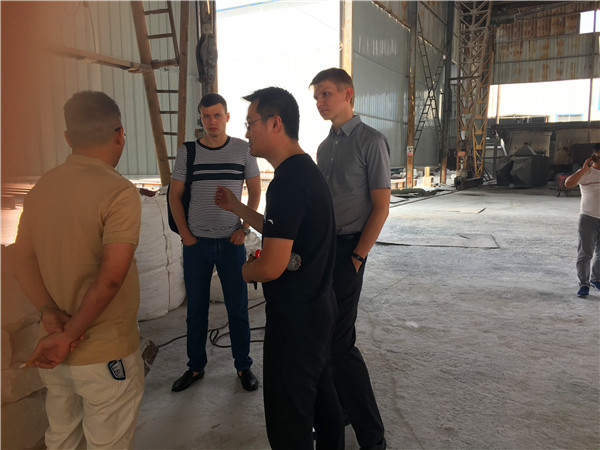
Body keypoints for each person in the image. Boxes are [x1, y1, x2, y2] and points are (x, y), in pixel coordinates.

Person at [12, 91, 145, 449]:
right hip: (103, 351)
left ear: (68, 137)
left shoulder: (42, 188)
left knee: (62, 437)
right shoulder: (119, 192)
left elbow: (21, 258)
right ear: (120, 135)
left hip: (54, 349)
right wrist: (72, 334)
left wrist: (48, 313)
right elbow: (112, 276)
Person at [214, 86, 344, 449]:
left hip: (295, 320)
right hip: (319, 308)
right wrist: (238, 208)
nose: (246, 132)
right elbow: (282, 232)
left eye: (250, 123)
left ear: (275, 123)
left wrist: (240, 272)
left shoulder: (287, 183)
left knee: (288, 417)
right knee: (323, 401)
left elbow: (271, 267)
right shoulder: (304, 171)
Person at [310, 68, 390, 450]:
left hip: (349, 250)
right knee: (326, 337)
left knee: (340, 345)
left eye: (326, 94)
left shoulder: (370, 141)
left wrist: (358, 256)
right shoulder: (323, 148)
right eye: (316, 96)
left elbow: (381, 207)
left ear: (348, 94)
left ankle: (373, 438)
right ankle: (339, 410)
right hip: (324, 250)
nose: (320, 102)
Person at [169, 93, 261, 392]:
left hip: (231, 242)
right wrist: (185, 234)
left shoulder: (243, 149)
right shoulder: (188, 152)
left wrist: (244, 227)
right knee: (196, 309)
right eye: (206, 116)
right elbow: (174, 195)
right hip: (197, 244)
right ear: (201, 118)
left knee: (238, 308)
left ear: (227, 117)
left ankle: (243, 365)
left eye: (217, 115)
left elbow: (255, 191)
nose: (212, 121)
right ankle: (195, 367)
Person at [564, 143, 600, 297]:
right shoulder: (586, 173)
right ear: (595, 157)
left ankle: (596, 279)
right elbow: (568, 184)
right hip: (588, 218)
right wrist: (584, 169)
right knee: (585, 253)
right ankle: (584, 284)